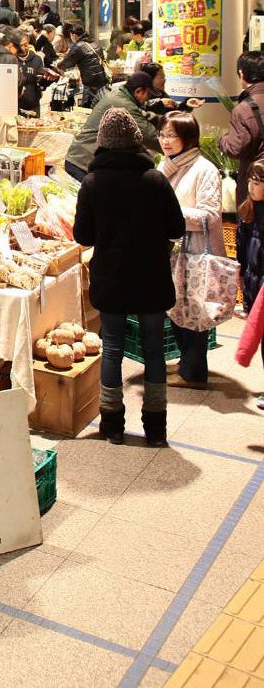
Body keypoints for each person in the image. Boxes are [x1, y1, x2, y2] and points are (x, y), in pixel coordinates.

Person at [74, 107, 185, 447]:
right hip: (151, 277)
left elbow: (83, 236)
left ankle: (112, 425)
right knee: (154, 351)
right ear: (137, 142)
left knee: (112, 349)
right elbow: (176, 227)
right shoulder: (154, 179)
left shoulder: (92, 183)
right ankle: (156, 428)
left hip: (112, 279)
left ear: (103, 144)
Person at [156, 112, 225, 390]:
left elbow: (210, 216)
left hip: (197, 252)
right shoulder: (168, 166)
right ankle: (186, 363)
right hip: (174, 251)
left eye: (172, 135)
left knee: (195, 311)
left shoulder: (204, 169)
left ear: (188, 138)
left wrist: (170, 213)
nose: (165, 141)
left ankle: (194, 372)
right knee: (176, 306)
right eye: (162, 134)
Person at [65, 71, 160, 182]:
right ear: (138, 91)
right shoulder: (122, 103)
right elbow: (149, 136)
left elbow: (142, 115)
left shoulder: (121, 95)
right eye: (148, 94)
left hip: (82, 158)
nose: (148, 99)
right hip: (83, 162)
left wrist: (166, 120)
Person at [236, 161, 264, 403]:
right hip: (254, 282)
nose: (251, 188)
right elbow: (242, 250)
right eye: (250, 183)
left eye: (257, 183)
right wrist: (240, 272)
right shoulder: (248, 210)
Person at [221, 50, 264, 204]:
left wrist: (223, 140)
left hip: (256, 184)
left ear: (241, 74)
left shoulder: (244, 109)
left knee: (253, 225)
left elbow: (235, 148)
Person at [56, 24, 110, 106]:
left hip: (90, 83)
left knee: (87, 108)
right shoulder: (94, 42)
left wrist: (58, 65)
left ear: (73, 35)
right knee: (99, 106)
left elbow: (67, 62)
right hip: (102, 81)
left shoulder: (79, 46)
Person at [16, 32, 48, 117]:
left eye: (25, 45)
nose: (23, 48)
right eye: (20, 45)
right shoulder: (12, 60)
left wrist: (45, 78)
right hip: (16, 105)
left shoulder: (37, 59)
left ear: (29, 44)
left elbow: (42, 81)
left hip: (33, 104)